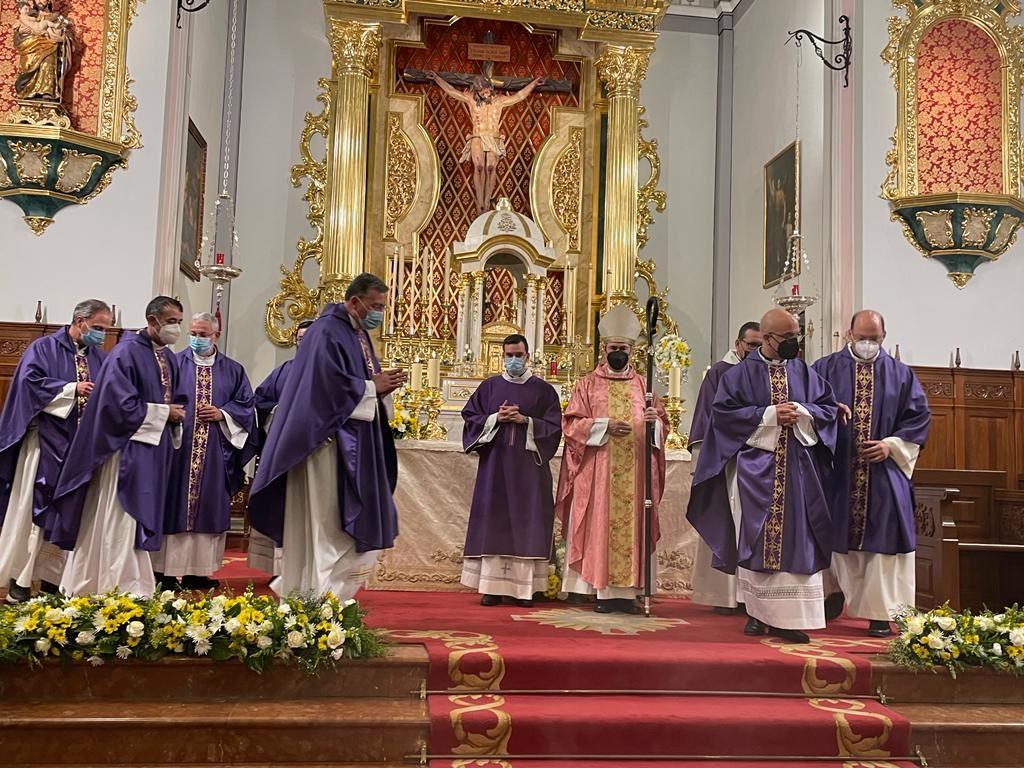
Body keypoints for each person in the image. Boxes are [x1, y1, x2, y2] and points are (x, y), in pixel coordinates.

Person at [248, 274, 406, 599]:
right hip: (323, 446)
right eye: (374, 306)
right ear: (354, 302)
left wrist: (377, 387)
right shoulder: (326, 330)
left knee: (337, 527)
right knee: (326, 526)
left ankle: (324, 596)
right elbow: (322, 386)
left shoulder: (355, 333)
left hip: (346, 441)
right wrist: (370, 387)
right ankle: (315, 598)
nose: (378, 313)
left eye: (382, 307)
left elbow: (359, 382)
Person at [687, 308, 837, 643]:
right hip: (756, 471)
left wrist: (802, 412)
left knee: (797, 540)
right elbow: (723, 417)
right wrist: (769, 415)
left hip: (798, 472)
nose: (793, 343)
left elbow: (826, 407)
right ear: (767, 338)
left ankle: (788, 618)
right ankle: (756, 612)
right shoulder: (738, 376)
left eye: (796, 335)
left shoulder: (804, 372)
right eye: (787, 337)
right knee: (756, 539)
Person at [47, 297, 187, 597]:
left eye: (179, 321)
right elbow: (116, 405)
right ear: (152, 321)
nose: (176, 328)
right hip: (123, 451)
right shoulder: (126, 352)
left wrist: (175, 414)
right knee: (120, 516)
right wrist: (165, 413)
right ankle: (114, 586)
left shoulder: (167, 356)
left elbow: (177, 396)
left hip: (150, 449)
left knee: (137, 517)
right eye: (172, 321)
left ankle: (133, 584)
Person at [812, 310, 931, 637]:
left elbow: (918, 418)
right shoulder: (823, 369)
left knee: (885, 536)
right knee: (825, 532)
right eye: (862, 337)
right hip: (836, 469)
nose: (867, 344)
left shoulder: (901, 374)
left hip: (882, 473)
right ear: (848, 334)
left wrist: (891, 446)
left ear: (884, 336)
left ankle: (881, 612)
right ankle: (829, 594)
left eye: (874, 339)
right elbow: (805, 405)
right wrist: (827, 414)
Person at [555, 304, 669, 615]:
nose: (618, 352)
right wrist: (603, 426)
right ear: (604, 349)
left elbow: (662, 424)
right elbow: (571, 425)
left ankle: (631, 592)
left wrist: (653, 424)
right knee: (601, 526)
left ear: (632, 350)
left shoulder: (645, 386)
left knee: (634, 527)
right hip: (600, 471)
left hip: (636, 472)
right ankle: (602, 593)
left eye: (623, 348)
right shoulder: (587, 384)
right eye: (613, 347)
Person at [0, 300, 111, 603]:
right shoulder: (44, 348)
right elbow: (28, 384)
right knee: (31, 513)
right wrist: (71, 389)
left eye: (106, 328)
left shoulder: (99, 359)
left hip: (78, 451)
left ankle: (54, 580)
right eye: (98, 327)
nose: (102, 334)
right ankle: (21, 581)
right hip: (43, 446)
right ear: (80, 320)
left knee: (70, 514)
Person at [154, 313, 255, 591]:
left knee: (207, 509)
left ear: (216, 336)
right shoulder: (173, 363)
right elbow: (158, 396)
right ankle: (163, 570)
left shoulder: (233, 370)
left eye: (203, 334)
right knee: (171, 505)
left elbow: (246, 406)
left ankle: (196, 572)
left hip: (214, 451)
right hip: (178, 449)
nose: (197, 339)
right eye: (194, 333)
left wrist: (223, 413)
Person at [461, 334, 562, 607]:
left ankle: (525, 589)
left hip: (529, 471)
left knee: (526, 521)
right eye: (509, 355)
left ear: (527, 356)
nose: (514, 360)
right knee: (495, 521)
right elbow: (470, 418)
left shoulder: (544, 390)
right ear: (502, 356)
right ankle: (491, 587)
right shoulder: (489, 387)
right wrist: (495, 418)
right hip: (495, 468)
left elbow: (554, 428)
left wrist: (525, 420)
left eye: (518, 355)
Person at [688, 321, 763, 614]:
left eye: (760, 345)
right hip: (726, 462)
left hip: (759, 461)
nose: (755, 350)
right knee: (726, 522)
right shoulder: (720, 372)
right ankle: (723, 595)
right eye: (751, 345)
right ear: (738, 343)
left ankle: (750, 595)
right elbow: (705, 416)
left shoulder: (766, 372)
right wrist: (701, 464)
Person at [425, 71, 545, 213]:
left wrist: (533, 84)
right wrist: (438, 78)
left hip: (493, 137)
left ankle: (487, 202)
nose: (486, 94)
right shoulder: (471, 99)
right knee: (480, 166)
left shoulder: (499, 101)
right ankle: (479, 202)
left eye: (487, 91)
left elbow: (519, 96)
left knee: (490, 168)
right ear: (476, 91)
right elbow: (451, 91)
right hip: (478, 136)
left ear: (490, 88)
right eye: (482, 93)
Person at [249, 318, 313, 576]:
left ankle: (308, 567)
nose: (302, 344)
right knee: (281, 506)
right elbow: (260, 400)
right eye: (299, 339)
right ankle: (280, 567)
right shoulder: (283, 371)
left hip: (312, 454)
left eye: (308, 340)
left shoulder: (328, 373)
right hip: (281, 452)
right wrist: (278, 413)